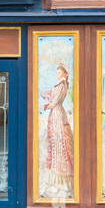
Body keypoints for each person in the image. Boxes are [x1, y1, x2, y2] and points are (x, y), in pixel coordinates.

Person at [42, 63, 75, 198]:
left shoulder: (62, 86)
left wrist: (46, 105)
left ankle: (63, 181)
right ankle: (55, 180)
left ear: (65, 74)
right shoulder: (58, 85)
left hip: (58, 115)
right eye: (56, 72)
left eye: (59, 72)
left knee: (60, 144)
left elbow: (55, 102)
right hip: (55, 114)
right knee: (55, 144)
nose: (57, 74)